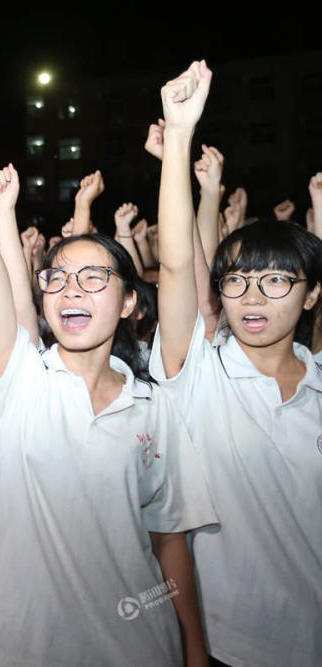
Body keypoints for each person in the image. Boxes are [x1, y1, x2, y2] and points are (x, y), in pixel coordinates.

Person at [0, 69, 217, 666]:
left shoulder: (153, 404)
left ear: (130, 301)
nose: (71, 292)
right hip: (21, 647)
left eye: (94, 279)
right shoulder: (20, 378)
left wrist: (193, 651)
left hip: (136, 648)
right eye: (57, 279)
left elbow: (169, 542)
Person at [152, 60, 322, 666]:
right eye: (239, 280)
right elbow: (177, 264)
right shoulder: (202, 370)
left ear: (311, 294)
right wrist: (179, 134)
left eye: (277, 279)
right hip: (224, 646)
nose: (253, 295)